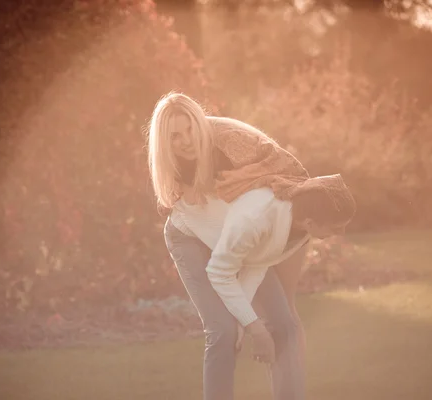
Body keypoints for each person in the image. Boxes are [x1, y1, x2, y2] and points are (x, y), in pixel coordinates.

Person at [147, 92, 355, 400]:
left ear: (200, 123)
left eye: (190, 128)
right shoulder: (173, 166)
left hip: (240, 233)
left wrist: (250, 321)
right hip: (191, 235)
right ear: (165, 142)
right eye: (175, 136)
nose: (186, 141)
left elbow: (286, 181)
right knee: (223, 332)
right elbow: (219, 264)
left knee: (283, 322)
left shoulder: (231, 146)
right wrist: (248, 325)